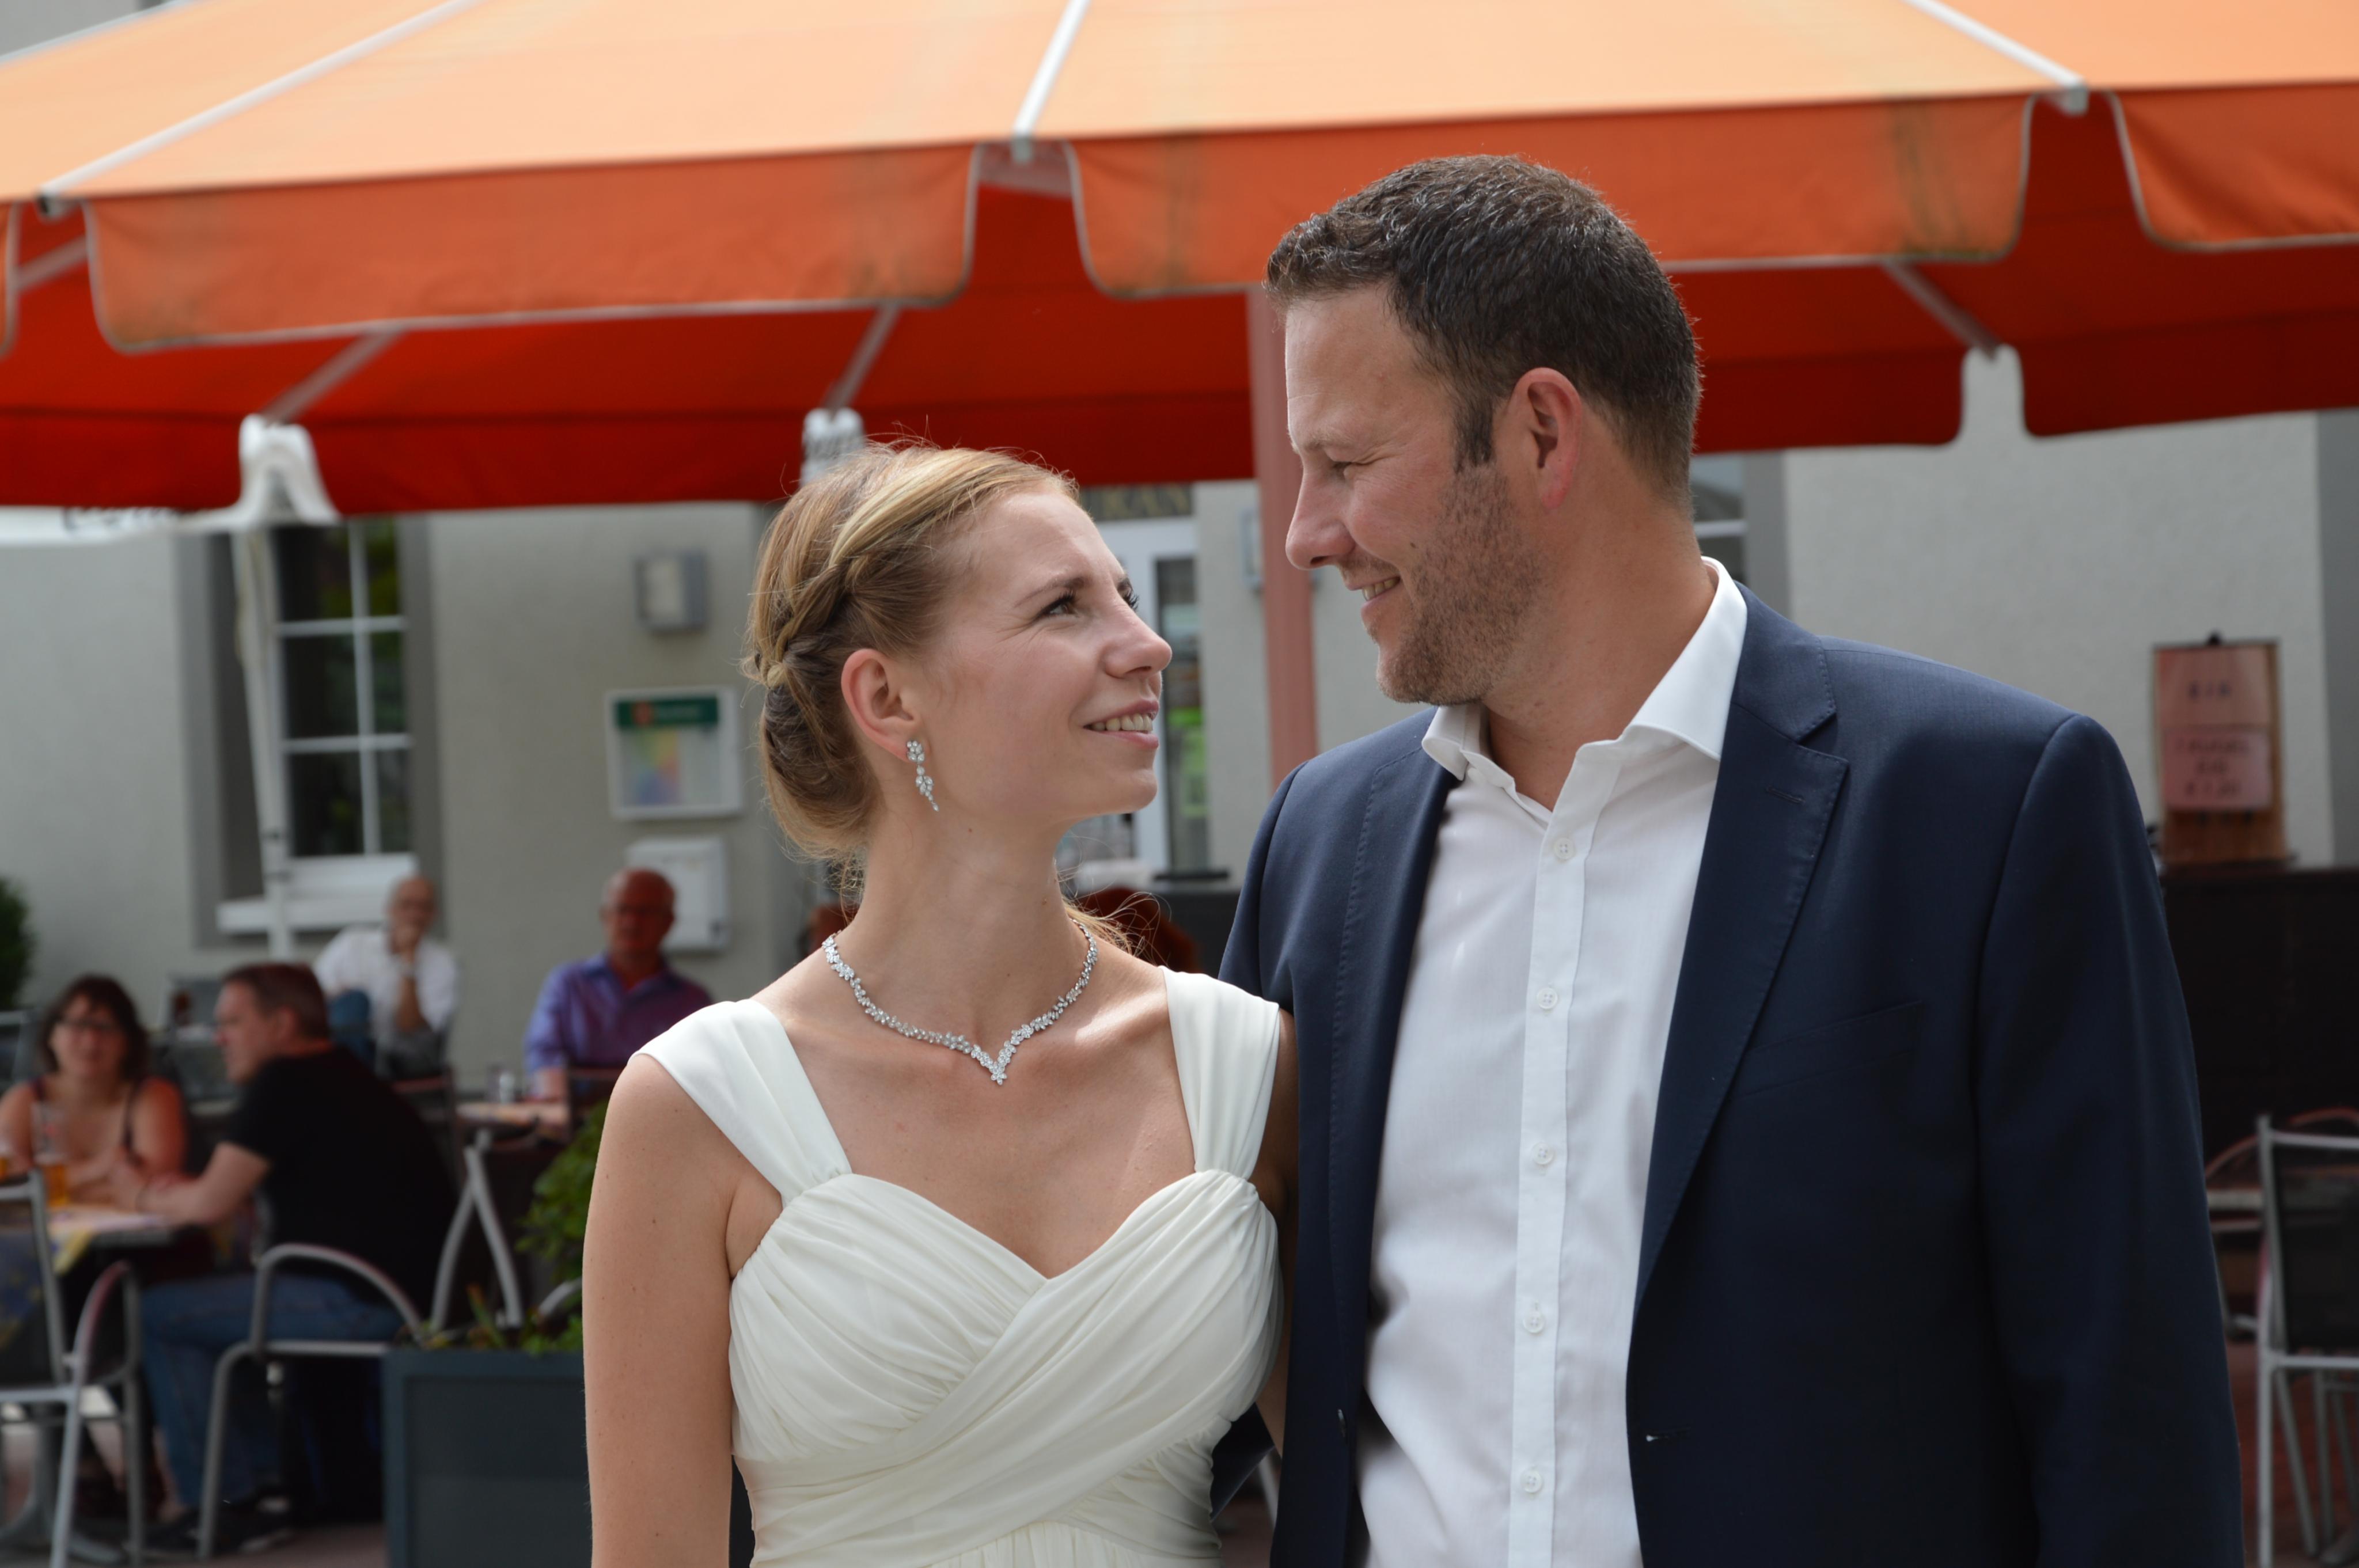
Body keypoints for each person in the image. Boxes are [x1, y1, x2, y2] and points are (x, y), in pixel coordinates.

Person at [1215, 156, 2242, 1567]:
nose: (1304, 531)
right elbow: (1235, 1339)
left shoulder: (1990, 809)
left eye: (1343, 463)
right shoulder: (1317, 844)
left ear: (1540, 433)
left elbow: (2129, 1415)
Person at [583, 443, 1298, 1567]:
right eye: (1064, 606)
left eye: (1124, 593)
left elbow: (1369, 1503)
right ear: (886, 695)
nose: (1147, 641)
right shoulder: (700, 1104)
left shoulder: (1243, 1063)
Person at [111, 962, 452, 1552]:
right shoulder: (344, 1073)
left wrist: (137, 1192)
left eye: (232, 1021)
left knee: (162, 1312)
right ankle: (262, 1490)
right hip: (401, 1292)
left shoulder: (285, 1083)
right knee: (213, 1306)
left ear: (282, 1023)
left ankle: (228, 1504)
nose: (219, 1037)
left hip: (362, 1299)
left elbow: (210, 1202)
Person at [522, 867, 711, 1101]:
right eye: (623, 910)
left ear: (669, 922)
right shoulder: (567, 985)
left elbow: (700, 1076)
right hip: (575, 1116)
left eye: (645, 912)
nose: (632, 922)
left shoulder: (693, 1000)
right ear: (605, 916)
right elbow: (544, 1057)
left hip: (658, 1115)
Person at [0, 974, 185, 1201]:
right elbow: (10, 1186)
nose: (90, 1041)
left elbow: (154, 1186)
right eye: (77, 1025)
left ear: (128, 1040)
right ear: (51, 1035)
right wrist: (98, 1169)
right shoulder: (23, 1099)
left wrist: (51, 1185)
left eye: (105, 1028)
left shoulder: (153, 1095)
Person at [311, 875, 458, 1077]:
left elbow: (410, 1027)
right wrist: (340, 995)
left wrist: (409, 963)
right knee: (355, 1001)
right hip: (341, 1048)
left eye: (423, 907)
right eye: (406, 905)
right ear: (389, 909)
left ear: (434, 915)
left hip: (400, 1059)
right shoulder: (353, 943)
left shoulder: (443, 963)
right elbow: (311, 996)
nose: (414, 915)